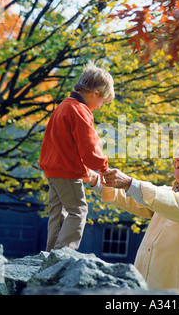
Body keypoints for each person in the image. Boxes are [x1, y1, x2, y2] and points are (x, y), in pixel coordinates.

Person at [88, 140, 179, 295]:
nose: (178, 158)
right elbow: (132, 198)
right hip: (142, 289)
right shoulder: (167, 194)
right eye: (178, 155)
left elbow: (175, 205)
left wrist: (129, 183)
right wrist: (94, 179)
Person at [39, 61, 114, 252]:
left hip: (53, 169)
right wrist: (103, 168)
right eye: (102, 102)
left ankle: (51, 253)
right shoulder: (80, 110)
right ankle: (64, 254)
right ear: (96, 92)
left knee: (58, 211)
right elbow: (89, 144)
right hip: (67, 170)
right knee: (78, 210)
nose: (99, 107)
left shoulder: (63, 106)